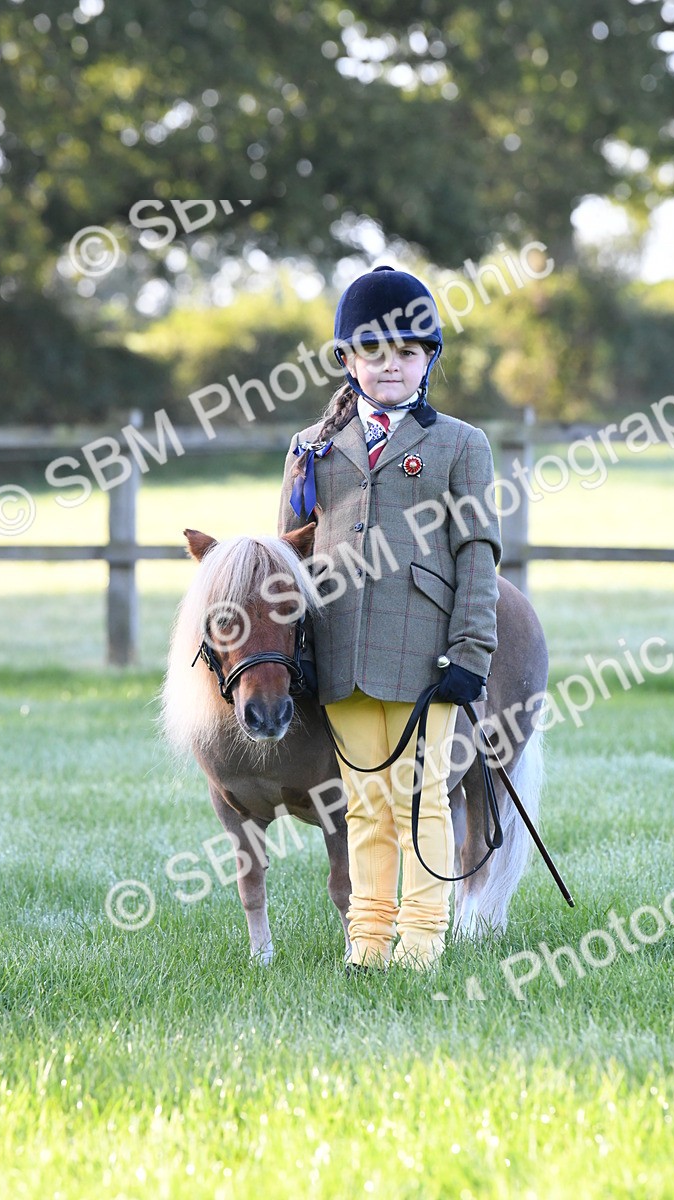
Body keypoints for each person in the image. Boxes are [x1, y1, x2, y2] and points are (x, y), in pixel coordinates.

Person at [278, 265, 501, 971]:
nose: (390, 367)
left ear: (429, 359)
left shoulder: (461, 445)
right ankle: (368, 942)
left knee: (422, 800)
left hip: (427, 654)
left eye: (407, 353)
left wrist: (472, 650)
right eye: (373, 354)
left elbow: (478, 553)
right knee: (364, 804)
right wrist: (295, 650)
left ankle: (423, 941)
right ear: (347, 360)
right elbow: (285, 558)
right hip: (342, 651)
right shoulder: (310, 446)